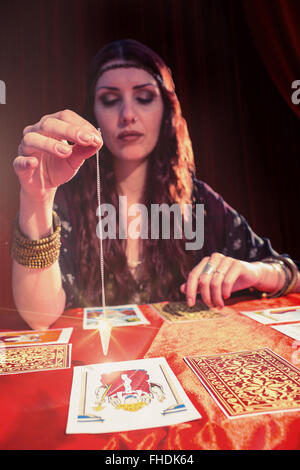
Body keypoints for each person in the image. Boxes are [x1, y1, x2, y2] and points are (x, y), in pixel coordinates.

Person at [11, 39, 300, 330]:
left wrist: (256, 271)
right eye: (110, 100)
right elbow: (39, 318)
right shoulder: (66, 202)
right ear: (92, 114)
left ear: (166, 110)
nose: (127, 115)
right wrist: (38, 198)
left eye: (145, 97)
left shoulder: (199, 201)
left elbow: (293, 274)